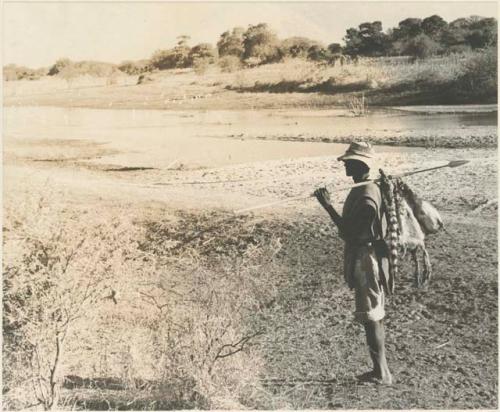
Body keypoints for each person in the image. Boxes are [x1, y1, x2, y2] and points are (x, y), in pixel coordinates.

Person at [314, 141, 392, 385]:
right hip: (366, 256)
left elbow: (353, 233)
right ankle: (381, 371)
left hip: (367, 259)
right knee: (373, 316)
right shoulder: (364, 188)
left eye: (349, 162)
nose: (345, 165)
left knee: (371, 317)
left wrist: (328, 207)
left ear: (360, 164)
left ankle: (382, 374)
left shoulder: (367, 193)